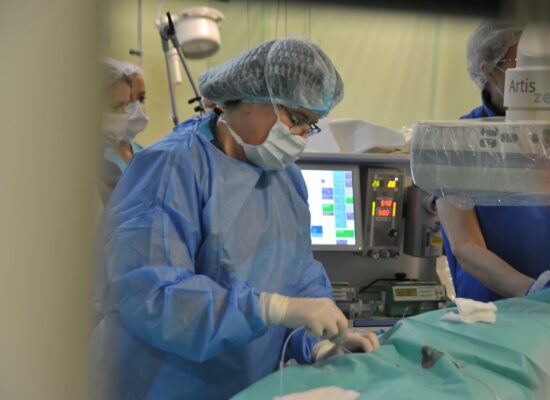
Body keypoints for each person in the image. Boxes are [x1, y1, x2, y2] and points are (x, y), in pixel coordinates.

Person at [93, 39, 379, 400]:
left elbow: (299, 275)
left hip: (246, 386)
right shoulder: (170, 168)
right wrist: (272, 308)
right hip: (161, 385)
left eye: (311, 125)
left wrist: (320, 342)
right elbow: (153, 296)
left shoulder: (286, 178)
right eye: (296, 119)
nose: (301, 136)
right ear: (247, 99)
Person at [436, 20, 550, 301]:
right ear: (489, 70)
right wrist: (534, 292)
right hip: (494, 311)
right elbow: (466, 245)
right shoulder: (458, 142)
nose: (540, 72)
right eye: (521, 60)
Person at [99, 58, 149, 203]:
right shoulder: (99, 159)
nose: (137, 107)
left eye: (141, 98)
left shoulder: (144, 154)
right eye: (126, 102)